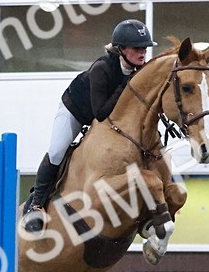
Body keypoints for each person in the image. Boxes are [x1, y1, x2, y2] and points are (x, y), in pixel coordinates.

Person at [21, 18, 158, 232]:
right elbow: (101, 113)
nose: (143, 53)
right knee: (57, 152)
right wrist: (126, 85)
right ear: (121, 49)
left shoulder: (139, 71)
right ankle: (36, 205)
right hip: (75, 110)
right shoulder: (102, 68)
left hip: (103, 117)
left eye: (145, 48)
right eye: (137, 48)